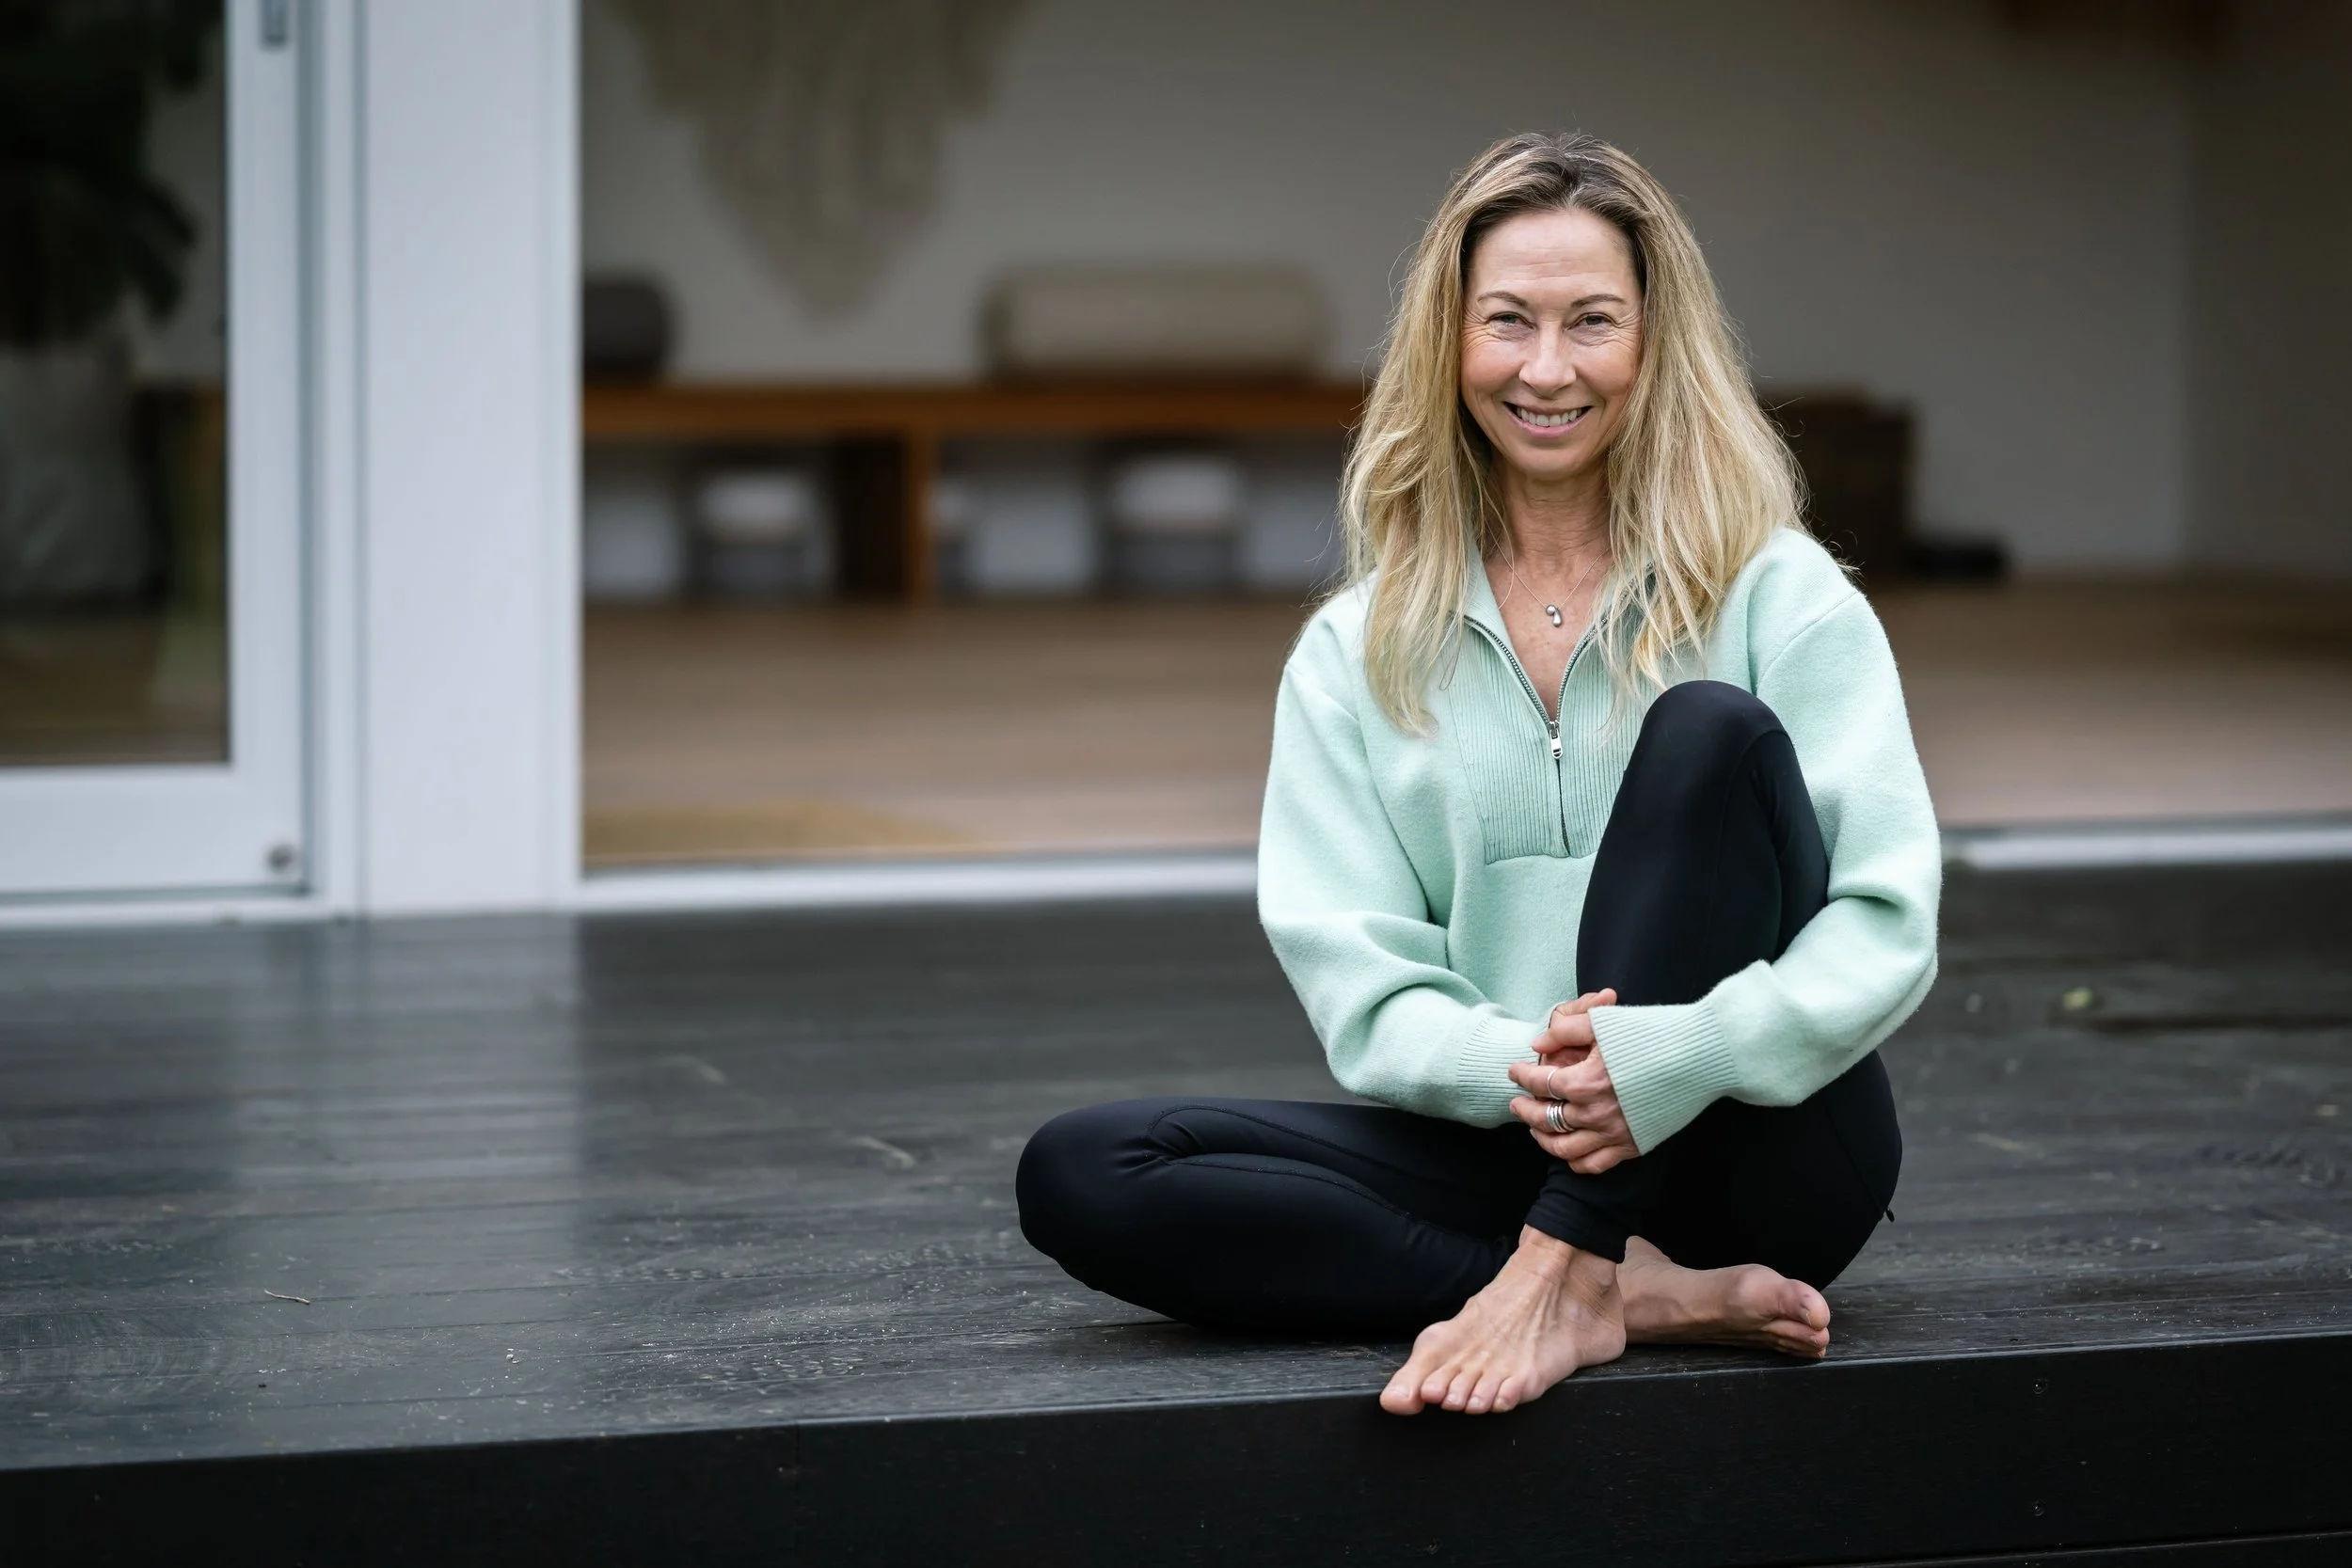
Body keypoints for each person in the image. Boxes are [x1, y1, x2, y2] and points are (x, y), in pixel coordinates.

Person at [1016, 132, 1940, 1417]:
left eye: (1592, 323)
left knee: (1707, 730)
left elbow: (1885, 923)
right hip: (1515, 1136)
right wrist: (1551, 1079)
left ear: (1654, 342)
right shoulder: (1359, 645)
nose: (1546, 368)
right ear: (1448, 344)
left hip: (1760, 1154)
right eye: (1507, 321)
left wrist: (1673, 1056)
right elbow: (1365, 981)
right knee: (1091, 1167)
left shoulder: (1778, 591)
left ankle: (1568, 1264)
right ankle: (1634, 1292)